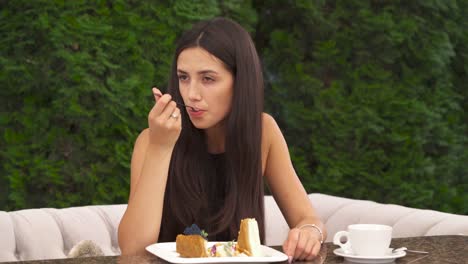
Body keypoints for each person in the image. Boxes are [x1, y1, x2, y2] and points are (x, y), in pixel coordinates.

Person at [118, 17, 327, 262]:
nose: (191, 94)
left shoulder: (263, 131)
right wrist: (160, 147)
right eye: (183, 77)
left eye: (208, 79)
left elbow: (308, 220)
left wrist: (309, 234)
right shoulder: (152, 141)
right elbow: (132, 250)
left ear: (240, 82)